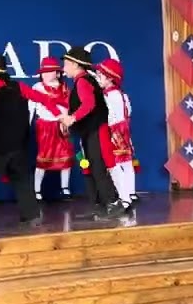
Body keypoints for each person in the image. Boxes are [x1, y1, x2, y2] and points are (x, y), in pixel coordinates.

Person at [0, 52, 68, 226]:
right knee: (22, 179)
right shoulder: (18, 87)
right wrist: (59, 115)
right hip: (18, 145)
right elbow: (43, 99)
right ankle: (31, 215)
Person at [59, 48, 121, 218]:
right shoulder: (82, 81)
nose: (63, 69)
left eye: (66, 64)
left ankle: (113, 203)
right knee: (93, 167)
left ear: (75, 65)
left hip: (96, 130)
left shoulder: (83, 82)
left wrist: (72, 118)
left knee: (98, 167)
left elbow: (89, 104)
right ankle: (100, 206)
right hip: (90, 131)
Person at [95, 59, 137, 208]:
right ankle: (130, 193)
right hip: (122, 129)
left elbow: (109, 115)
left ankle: (125, 197)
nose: (97, 78)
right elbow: (128, 112)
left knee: (118, 163)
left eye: (100, 75)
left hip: (114, 130)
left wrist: (111, 132)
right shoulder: (120, 94)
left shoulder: (109, 96)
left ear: (110, 78)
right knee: (126, 162)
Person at [30, 58, 74, 201]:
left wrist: (66, 121)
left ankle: (65, 188)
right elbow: (31, 108)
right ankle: (36, 191)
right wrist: (27, 124)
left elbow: (68, 107)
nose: (46, 75)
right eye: (43, 72)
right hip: (45, 127)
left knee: (65, 157)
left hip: (61, 125)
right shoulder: (38, 87)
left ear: (57, 73)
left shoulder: (65, 88)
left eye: (49, 72)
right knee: (43, 158)